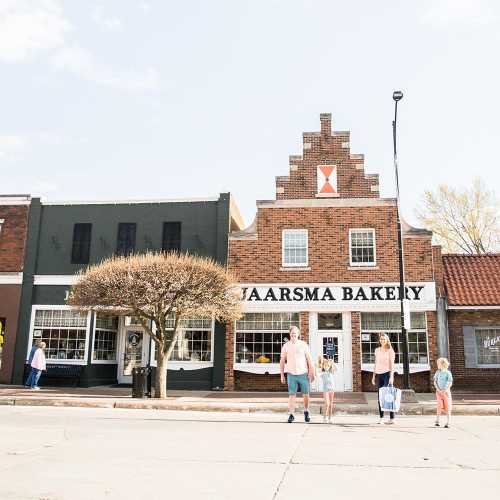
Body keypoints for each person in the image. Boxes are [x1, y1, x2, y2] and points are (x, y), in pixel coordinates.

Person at [280, 326, 315, 423]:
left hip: (303, 373)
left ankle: (306, 411)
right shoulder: (286, 346)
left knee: (306, 394)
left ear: (298, 334)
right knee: (292, 395)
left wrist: (312, 372)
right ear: (290, 334)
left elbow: (309, 359)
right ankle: (291, 414)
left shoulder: (303, 344)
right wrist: (282, 374)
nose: (293, 335)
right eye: (292, 334)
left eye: (295, 334)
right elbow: (282, 361)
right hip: (291, 374)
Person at [371, 333, 396, 424]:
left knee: (388, 396)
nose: (382, 340)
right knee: (380, 397)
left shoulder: (390, 350)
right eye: (381, 339)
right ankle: (381, 417)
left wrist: (391, 376)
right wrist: (373, 376)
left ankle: (392, 418)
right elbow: (376, 363)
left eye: (384, 339)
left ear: (387, 340)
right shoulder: (377, 350)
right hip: (379, 375)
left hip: (387, 374)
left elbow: (392, 365)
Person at [434, 357, 453, 428]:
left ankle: (448, 422)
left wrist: (445, 389)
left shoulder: (448, 373)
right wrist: (438, 389)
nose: (437, 365)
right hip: (439, 393)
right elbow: (435, 382)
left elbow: (450, 382)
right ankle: (437, 420)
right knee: (439, 406)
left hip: (446, 393)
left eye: (438, 363)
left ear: (442, 364)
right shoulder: (437, 372)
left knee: (447, 407)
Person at [317, 355, 336, 424]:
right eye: (325, 365)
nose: (326, 367)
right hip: (326, 391)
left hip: (332, 390)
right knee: (327, 404)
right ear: (323, 366)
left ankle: (330, 418)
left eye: (327, 365)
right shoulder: (322, 373)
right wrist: (320, 362)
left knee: (331, 404)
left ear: (329, 366)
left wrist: (332, 363)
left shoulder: (331, 372)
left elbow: (336, 368)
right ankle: (324, 417)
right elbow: (317, 373)